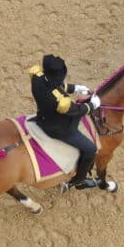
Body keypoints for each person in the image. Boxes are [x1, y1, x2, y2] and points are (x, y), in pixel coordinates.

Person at [28, 54, 100, 191]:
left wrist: (76, 88)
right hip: (59, 129)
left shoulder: (37, 77)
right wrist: (92, 105)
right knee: (91, 149)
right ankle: (79, 180)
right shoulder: (62, 102)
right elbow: (76, 110)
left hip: (42, 115)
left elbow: (54, 85)